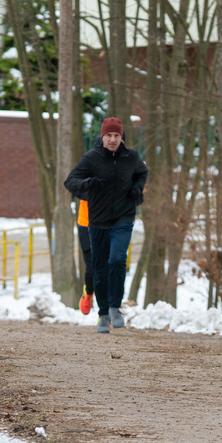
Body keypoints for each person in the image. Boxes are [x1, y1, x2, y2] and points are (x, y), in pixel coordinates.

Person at [64, 117, 147, 333]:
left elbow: (142, 173)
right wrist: (88, 184)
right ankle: (102, 314)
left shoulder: (132, 157)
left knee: (117, 259)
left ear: (122, 137)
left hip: (123, 217)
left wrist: (137, 189)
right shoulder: (91, 159)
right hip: (98, 220)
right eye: (109, 135)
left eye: (116, 136)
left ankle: (115, 307)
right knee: (99, 267)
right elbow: (70, 181)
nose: (112, 139)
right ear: (102, 137)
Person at [76, 198, 95, 315]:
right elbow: (75, 185)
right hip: (86, 223)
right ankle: (88, 292)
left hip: (109, 222)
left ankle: (105, 313)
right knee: (91, 266)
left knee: (109, 265)